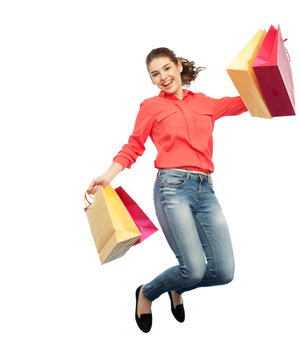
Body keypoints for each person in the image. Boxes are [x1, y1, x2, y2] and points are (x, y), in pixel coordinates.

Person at [88, 47, 248, 333]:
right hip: (171, 189)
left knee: (224, 272)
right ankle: (147, 293)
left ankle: (178, 287)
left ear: (177, 66)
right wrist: (106, 176)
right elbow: (133, 147)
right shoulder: (151, 107)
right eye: (155, 74)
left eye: (166, 68)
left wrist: (268, 74)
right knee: (194, 268)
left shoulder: (206, 103)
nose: (163, 77)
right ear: (151, 80)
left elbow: (248, 101)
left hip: (206, 190)